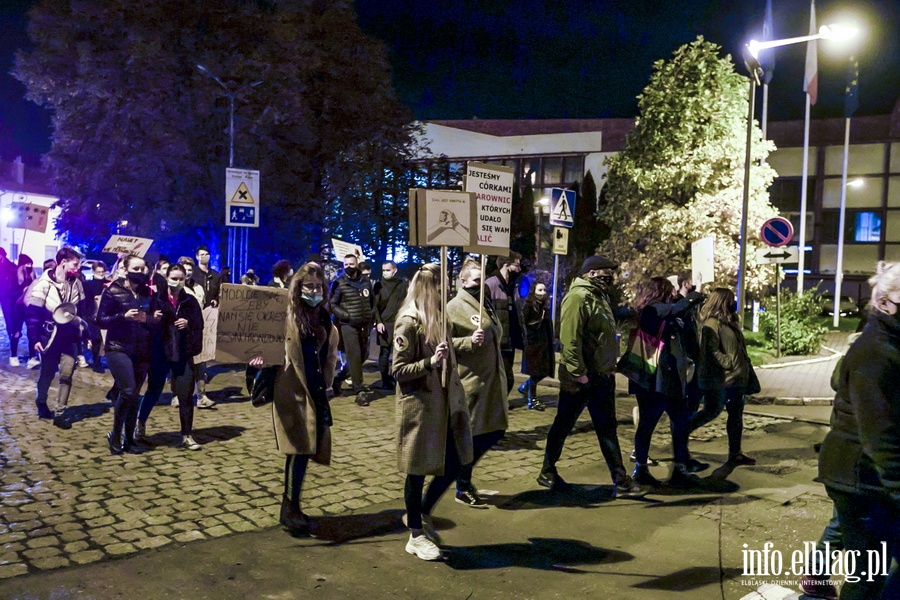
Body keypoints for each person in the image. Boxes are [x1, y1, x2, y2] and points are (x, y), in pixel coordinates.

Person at [818, 262, 900, 598]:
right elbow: (880, 435)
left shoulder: (889, 343)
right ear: (883, 303)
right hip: (862, 481)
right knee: (868, 576)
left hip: (869, 479)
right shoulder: (875, 352)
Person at [537, 255, 643, 498]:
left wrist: (608, 365)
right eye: (607, 272)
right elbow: (570, 339)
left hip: (601, 375)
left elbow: (603, 336)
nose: (611, 277)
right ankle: (547, 470)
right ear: (592, 273)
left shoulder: (599, 296)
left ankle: (620, 478)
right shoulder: (578, 297)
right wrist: (579, 375)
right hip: (582, 378)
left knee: (607, 428)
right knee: (563, 425)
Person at [250, 262, 339, 537]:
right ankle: (290, 509)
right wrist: (259, 360)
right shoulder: (285, 314)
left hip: (314, 388)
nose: (314, 290)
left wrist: (329, 379)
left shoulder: (323, 317)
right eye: (308, 286)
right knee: (297, 449)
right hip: (291, 387)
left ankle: (293, 506)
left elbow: (327, 352)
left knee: (307, 448)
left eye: (318, 286)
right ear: (297, 287)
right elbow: (265, 346)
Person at [394, 263, 473, 560]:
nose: (447, 290)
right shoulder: (409, 322)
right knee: (416, 472)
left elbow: (450, 349)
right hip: (421, 408)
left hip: (445, 404)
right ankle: (414, 533)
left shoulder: (438, 319)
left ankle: (421, 511)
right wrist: (429, 363)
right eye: (442, 286)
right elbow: (398, 370)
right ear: (430, 288)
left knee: (456, 460)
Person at [628, 277, 706, 489]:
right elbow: (674, 309)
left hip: (669, 381)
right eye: (670, 290)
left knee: (680, 423)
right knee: (647, 424)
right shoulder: (651, 309)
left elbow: (676, 308)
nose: (673, 293)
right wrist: (695, 293)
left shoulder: (664, 308)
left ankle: (680, 468)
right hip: (653, 381)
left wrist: (686, 294)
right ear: (660, 291)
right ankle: (641, 470)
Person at [447, 258, 507, 508]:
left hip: (490, 381)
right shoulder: (453, 307)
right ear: (462, 281)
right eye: (474, 280)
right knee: (469, 437)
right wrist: (468, 341)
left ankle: (463, 479)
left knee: (493, 430)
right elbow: (443, 344)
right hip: (470, 381)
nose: (480, 284)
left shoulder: (485, 303)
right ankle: (461, 484)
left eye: (482, 280)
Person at [97, 255, 162, 454]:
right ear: (125, 270)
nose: (140, 272)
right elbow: (100, 320)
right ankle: (115, 434)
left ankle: (130, 438)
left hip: (142, 349)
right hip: (118, 348)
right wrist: (122, 317)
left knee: (135, 395)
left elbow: (154, 320)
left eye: (143, 269)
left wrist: (149, 319)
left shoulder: (148, 294)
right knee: (128, 391)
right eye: (136, 268)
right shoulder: (112, 291)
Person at [687, 287, 758, 468]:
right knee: (711, 410)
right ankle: (680, 434)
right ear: (723, 302)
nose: (734, 302)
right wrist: (728, 363)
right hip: (724, 379)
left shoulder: (729, 322)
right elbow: (710, 351)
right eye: (731, 299)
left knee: (736, 416)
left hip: (737, 378)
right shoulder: (712, 324)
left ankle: (735, 453)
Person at [136, 264, 204, 450]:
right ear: (166, 278)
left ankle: (187, 435)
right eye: (174, 278)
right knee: (154, 391)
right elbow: (144, 324)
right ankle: (140, 424)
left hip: (183, 354)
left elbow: (199, 325)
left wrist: (188, 323)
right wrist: (153, 319)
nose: (177, 281)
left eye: (181, 278)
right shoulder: (156, 301)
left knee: (186, 395)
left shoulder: (190, 301)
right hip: (161, 353)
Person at [24, 247, 84, 428]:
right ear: (63, 262)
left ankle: (60, 413)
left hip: (69, 336)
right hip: (49, 335)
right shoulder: (43, 284)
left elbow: (82, 309)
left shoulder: (77, 283)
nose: (78, 267)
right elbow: (33, 314)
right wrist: (34, 339)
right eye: (75, 263)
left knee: (67, 374)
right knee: (48, 373)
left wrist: (85, 331)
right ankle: (41, 401)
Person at [329, 254, 374, 406]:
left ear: (357, 264)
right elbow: (332, 304)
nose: (349, 266)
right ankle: (359, 391)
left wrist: (371, 317)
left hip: (364, 325)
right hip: (348, 325)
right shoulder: (339, 283)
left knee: (362, 356)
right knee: (354, 356)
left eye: (351, 263)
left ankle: (338, 379)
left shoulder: (366, 281)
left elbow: (371, 300)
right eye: (346, 264)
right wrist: (346, 315)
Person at [485, 253, 523, 395]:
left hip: (509, 342)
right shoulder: (490, 285)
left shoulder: (512, 286)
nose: (519, 270)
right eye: (517, 265)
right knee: (502, 379)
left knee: (507, 379)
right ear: (506, 265)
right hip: (497, 342)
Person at [178, 256, 213, 409]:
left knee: (201, 364)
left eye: (190, 270)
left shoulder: (198, 288)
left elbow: (202, 307)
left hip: (197, 331)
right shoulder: (177, 289)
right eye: (185, 270)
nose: (188, 273)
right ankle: (177, 395)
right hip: (181, 333)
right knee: (180, 366)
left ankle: (201, 395)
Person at [373, 261, 408, 390]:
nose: (385, 273)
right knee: (384, 352)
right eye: (383, 270)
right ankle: (384, 380)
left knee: (399, 352)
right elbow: (374, 306)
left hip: (399, 323)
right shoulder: (378, 285)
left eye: (388, 270)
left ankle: (397, 377)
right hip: (385, 323)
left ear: (395, 270)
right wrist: (378, 322)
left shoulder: (403, 284)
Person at [520, 280, 554, 411]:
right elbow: (524, 322)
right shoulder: (529, 305)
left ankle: (525, 387)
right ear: (533, 291)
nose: (543, 293)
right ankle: (532, 400)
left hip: (544, 343)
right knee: (535, 372)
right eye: (540, 290)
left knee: (544, 370)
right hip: (533, 343)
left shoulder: (544, 306)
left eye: (544, 290)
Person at [80, 262, 108, 372]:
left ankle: (102, 360)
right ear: (93, 272)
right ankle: (97, 362)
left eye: (102, 272)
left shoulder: (108, 284)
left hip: (106, 314)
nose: (101, 274)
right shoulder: (88, 285)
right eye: (98, 272)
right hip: (93, 314)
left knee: (105, 339)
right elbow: (86, 301)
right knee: (96, 339)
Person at [13, 254, 37, 368]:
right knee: (16, 332)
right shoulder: (15, 276)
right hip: (17, 308)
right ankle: (13, 355)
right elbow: (9, 293)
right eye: (27, 264)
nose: (29, 266)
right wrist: (21, 291)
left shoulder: (33, 278)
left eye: (31, 264)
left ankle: (32, 356)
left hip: (29, 308)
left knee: (31, 332)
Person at [0, 247, 20, 365]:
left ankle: (12, 337)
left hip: (8, 297)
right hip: (2, 296)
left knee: (9, 318)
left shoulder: (12, 267)